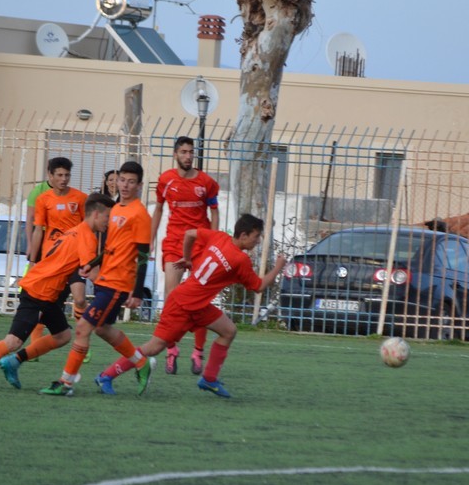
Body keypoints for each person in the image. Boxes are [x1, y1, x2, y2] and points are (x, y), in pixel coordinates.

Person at [95, 214, 286, 399]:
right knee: (154, 347)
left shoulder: (220, 237)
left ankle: (209, 379)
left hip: (198, 304)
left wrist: (187, 258)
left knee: (229, 331)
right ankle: (105, 376)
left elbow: (189, 234)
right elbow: (259, 286)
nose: (258, 241)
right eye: (256, 236)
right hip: (183, 304)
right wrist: (278, 266)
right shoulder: (240, 259)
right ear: (243, 235)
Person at [0, 193, 115, 391]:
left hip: (47, 293)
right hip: (39, 292)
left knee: (63, 335)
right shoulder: (87, 237)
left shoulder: (76, 231)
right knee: (13, 341)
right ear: (96, 214)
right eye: (108, 217)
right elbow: (93, 274)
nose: (109, 222)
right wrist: (117, 286)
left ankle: (14, 361)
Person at [40, 161, 151, 396]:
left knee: (82, 327)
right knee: (102, 329)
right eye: (122, 180)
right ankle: (141, 362)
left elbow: (143, 256)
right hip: (105, 278)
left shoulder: (140, 214)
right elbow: (112, 247)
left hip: (117, 283)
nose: (125, 185)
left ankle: (66, 383)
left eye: (131, 182)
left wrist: (138, 292)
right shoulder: (117, 208)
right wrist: (93, 263)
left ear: (140, 185)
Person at [150, 136, 220, 376]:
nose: (188, 156)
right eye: (183, 152)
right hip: (174, 244)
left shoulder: (206, 182)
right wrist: (151, 238)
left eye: (191, 152)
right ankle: (172, 350)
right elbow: (159, 209)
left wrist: (213, 240)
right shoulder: (166, 180)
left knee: (200, 299)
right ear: (175, 154)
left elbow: (214, 212)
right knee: (171, 298)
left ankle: (198, 351)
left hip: (200, 245)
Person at [27, 157, 89, 339]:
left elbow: (87, 228)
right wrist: (33, 261)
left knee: (80, 299)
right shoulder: (43, 199)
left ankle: (82, 340)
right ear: (50, 175)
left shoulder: (80, 198)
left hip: (75, 257)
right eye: (60, 175)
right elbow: (38, 230)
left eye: (67, 175)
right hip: (52, 259)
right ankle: (35, 344)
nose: (64, 179)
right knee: (45, 303)